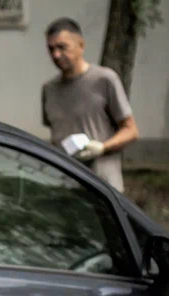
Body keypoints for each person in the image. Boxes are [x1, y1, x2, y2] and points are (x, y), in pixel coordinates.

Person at [41, 17, 139, 192]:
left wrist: (102, 147)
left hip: (103, 187)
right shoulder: (49, 90)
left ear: (81, 45)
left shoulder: (104, 79)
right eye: (51, 49)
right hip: (65, 187)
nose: (56, 54)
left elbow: (131, 130)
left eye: (62, 47)